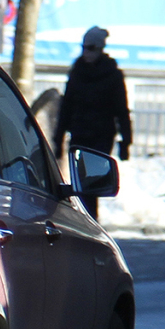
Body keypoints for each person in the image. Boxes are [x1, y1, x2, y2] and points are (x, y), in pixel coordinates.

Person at [53, 26, 132, 218]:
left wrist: (126, 142)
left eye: (91, 48)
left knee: (93, 185)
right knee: (80, 184)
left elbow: (121, 110)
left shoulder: (112, 75)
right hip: (80, 133)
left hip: (101, 136)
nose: (86, 52)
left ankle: (91, 220)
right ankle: (85, 221)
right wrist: (58, 138)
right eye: (84, 47)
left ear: (100, 48)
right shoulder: (77, 72)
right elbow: (67, 105)